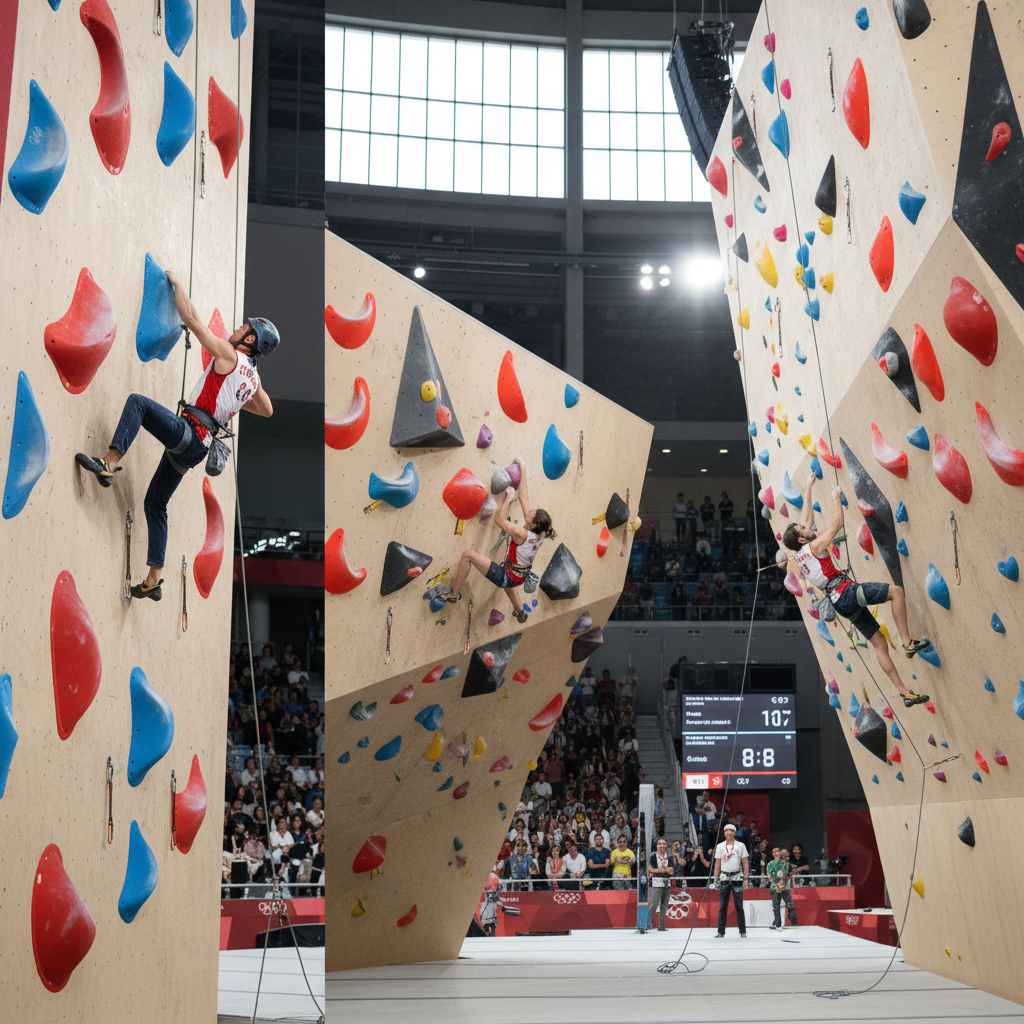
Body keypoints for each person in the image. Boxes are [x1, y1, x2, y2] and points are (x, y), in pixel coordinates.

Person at [76, 271, 278, 601]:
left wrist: (177, 285)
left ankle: (108, 464)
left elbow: (192, 320)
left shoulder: (231, 356)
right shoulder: (252, 378)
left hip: (191, 433)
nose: (237, 328)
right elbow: (267, 409)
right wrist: (240, 398)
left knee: (138, 404)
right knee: (155, 503)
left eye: (245, 328)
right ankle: (153, 579)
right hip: (197, 448)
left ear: (251, 340)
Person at [782, 474, 930, 708]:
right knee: (896, 592)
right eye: (802, 528)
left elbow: (806, 520)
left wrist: (808, 487)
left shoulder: (801, 555)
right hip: (846, 592)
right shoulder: (815, 546)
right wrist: (836, 497)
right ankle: (907, 642)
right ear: (801, 538)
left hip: (839, 603)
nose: (806, 525)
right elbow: (836, 525)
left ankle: (904, 693)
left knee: (879, 643)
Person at [447, 459, 555, 622]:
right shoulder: (539, 533)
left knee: (468, 555)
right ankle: (520, 611)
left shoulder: (522, 534)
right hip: (519, 575)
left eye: (530, 515)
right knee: (509, 580)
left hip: (510, 575)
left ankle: (454, 594)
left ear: (532, 525)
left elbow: (499, 519)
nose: (528, 513)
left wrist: (508, 499)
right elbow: (524, 499)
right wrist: (523, 469)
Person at [713, 822, 748, 938]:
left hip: (737, 876)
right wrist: (715, 878)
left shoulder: (740, 845)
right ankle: (720, 932)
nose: (729, 833)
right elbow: (717, 863)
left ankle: (742, 932)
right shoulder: (720, 846)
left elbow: (745, 862)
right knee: (723, 905)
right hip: (724, 876)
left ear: (734, 833)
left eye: (731, 831)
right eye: (727, 831)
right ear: (724, 833)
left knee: (739, 905)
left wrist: (746, 878)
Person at [767, 846, 798, 929]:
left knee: (790, 905)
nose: (776, 853)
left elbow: (787, 874)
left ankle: (794, 924)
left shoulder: (786, 864)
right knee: (776, 906)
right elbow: (770, 875)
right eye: (774, 852)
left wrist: (783, 883)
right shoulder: (770, 864)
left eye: (777, 851)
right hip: (774, 887)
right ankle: (777, 923)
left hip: (785, 887)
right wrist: (776, 883)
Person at [649, 837, 674, 930]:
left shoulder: (670, 856)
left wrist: (659, 870)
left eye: (663, 844)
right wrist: (664, 870)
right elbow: (651, 869)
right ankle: (647, 923)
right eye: (659, 844)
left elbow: (671, 871)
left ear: (666, 845)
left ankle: (662, 925)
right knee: (654, 904)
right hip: (656, 882)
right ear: (656, 846)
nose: (661, 846)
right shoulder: (652, 856)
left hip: (667, 882)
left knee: (664, 904)